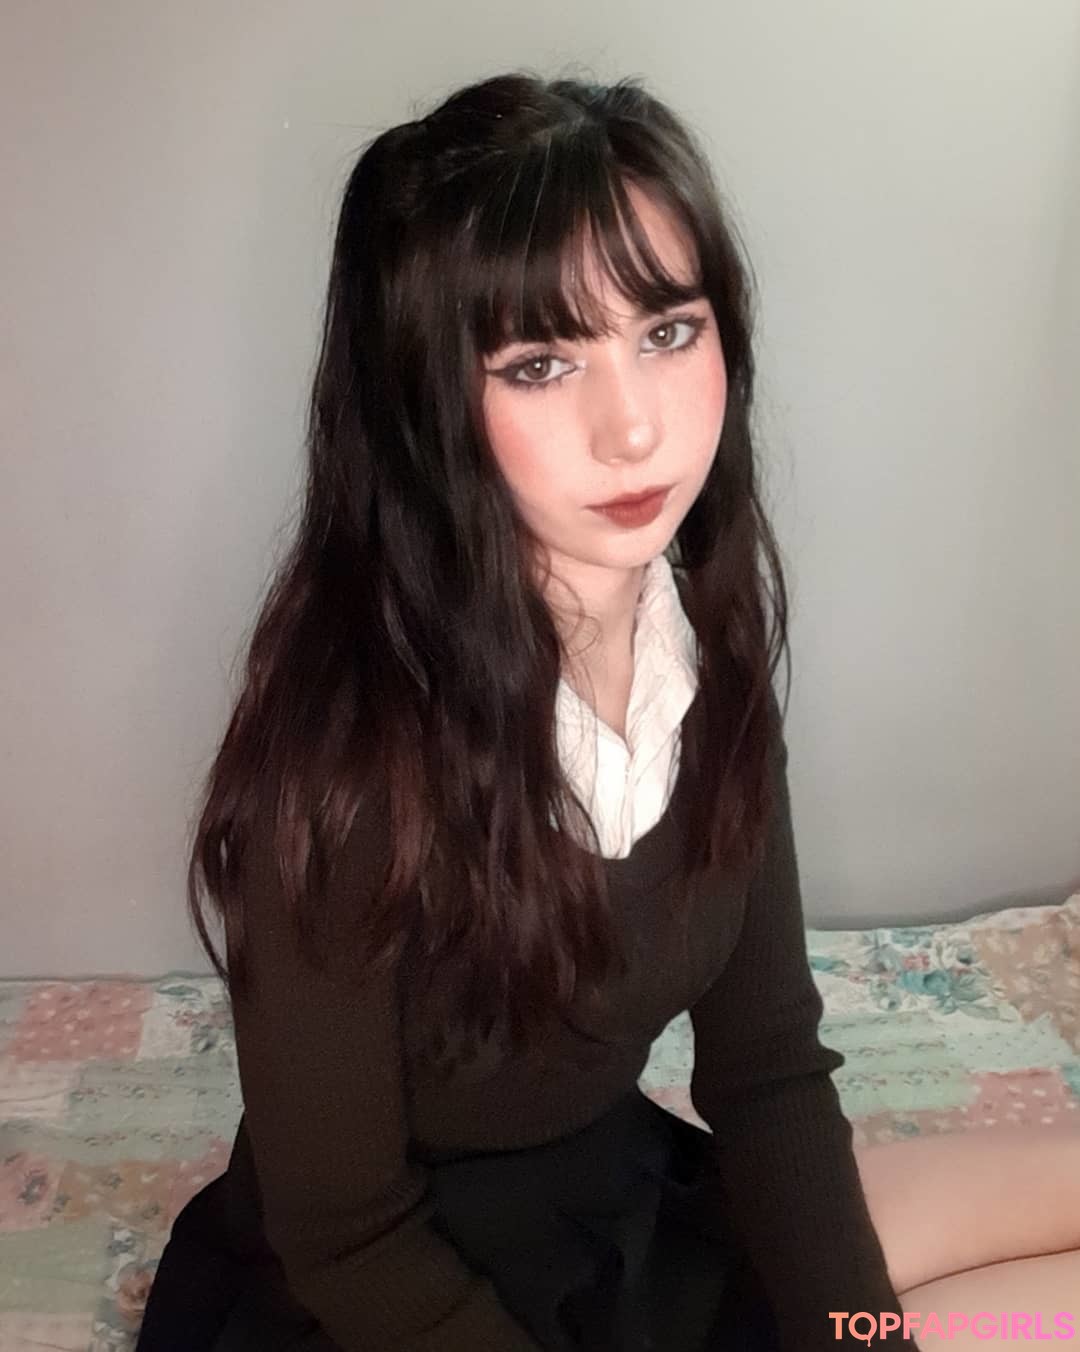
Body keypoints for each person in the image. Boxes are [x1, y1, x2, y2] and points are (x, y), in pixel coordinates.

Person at [135, 70, 925, 1351]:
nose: (634, 429)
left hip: (609, 1196)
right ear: (429, 400)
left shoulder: (702, 661)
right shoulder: (341, 769)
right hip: (388, 1295)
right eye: (542, 362)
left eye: (667, 330)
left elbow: (770, 1066)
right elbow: (344, 1235)